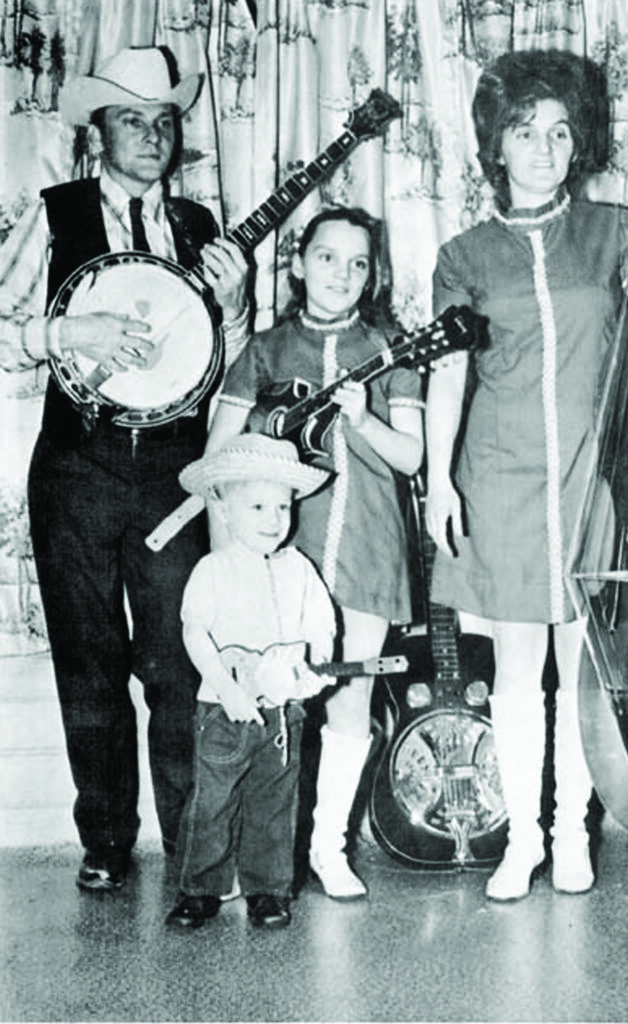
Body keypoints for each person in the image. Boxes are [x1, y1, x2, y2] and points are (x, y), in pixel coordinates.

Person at [424, 50, 628, 902]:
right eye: (523, 132)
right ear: (494, 146)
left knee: (582, 670)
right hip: (499, 476)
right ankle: (521, 843)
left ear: (577, 145)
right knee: (515, 672)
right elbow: (446, 376)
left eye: (558, 132)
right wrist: (439, 481)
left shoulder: (614, 230)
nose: (542, 148)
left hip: (592, 474)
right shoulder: (463, 255)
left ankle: (573, 836)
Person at [0, 46, 250, 891]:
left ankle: (191, 847)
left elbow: (225, 368)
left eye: (164, 121)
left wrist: (237, 308)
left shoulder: (201, 228)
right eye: (132, 120)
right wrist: (68, 333)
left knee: (179, 661)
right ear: (98, 133)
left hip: (175, 471)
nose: (152, 135)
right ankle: (105, 841)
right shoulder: (55, 214)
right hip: (77, 465)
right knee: (88, 661)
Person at [207, 206, 424, 899]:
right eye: (327, 257)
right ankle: (250, 856)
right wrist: (230, 562)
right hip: (282, 549)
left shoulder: (392, 349)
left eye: (358, 263)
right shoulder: (264, 350)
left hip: (368, 542)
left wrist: (363, 420)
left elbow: (411, 456)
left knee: (350, 698)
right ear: (298, 264)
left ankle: (329, 851)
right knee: (265, 701)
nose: (342, 274)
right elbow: (218, 456)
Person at [165, 433, 335, 930]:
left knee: (275, 802)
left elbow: (321, 626)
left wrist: (317, 663)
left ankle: (267, 889)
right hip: (224, 711)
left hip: (282, 714)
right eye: (257, 506)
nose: (273, 519)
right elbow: (194, 633)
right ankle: (199, 889)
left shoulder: (300, 569)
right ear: (224, 510)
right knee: (212, 802)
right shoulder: (213, 569)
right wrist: (227, 688)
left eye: (282, 507)